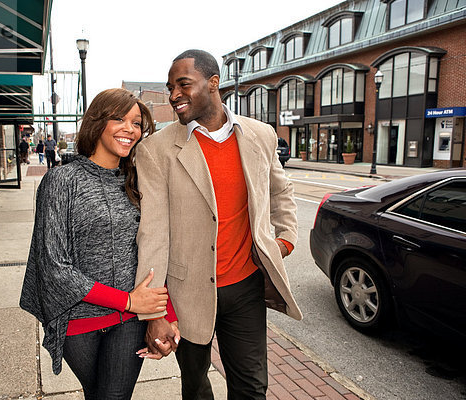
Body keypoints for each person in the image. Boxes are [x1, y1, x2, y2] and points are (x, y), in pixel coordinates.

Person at [134, 49, 302, 399]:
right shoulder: (156, 150)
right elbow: (153, 232)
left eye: (183, 84)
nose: (174, 95)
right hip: (187, 292)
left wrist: (283, 240)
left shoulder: (260, 135)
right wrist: (154, 310)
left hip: (244, 287)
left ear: (213, 83)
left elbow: (279, 190)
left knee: (253, 387)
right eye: (170, 87)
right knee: (196, 389)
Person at [20, 88, 177, 399]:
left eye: (136, 123)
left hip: (130, 321)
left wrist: (164, 313)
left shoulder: (137, 179)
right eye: (119, 119)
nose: (129, 129)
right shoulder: (61, 181)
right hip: (79, 319)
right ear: (96, 121)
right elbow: (54, 266)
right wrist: (129, 301)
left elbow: (153, 247)